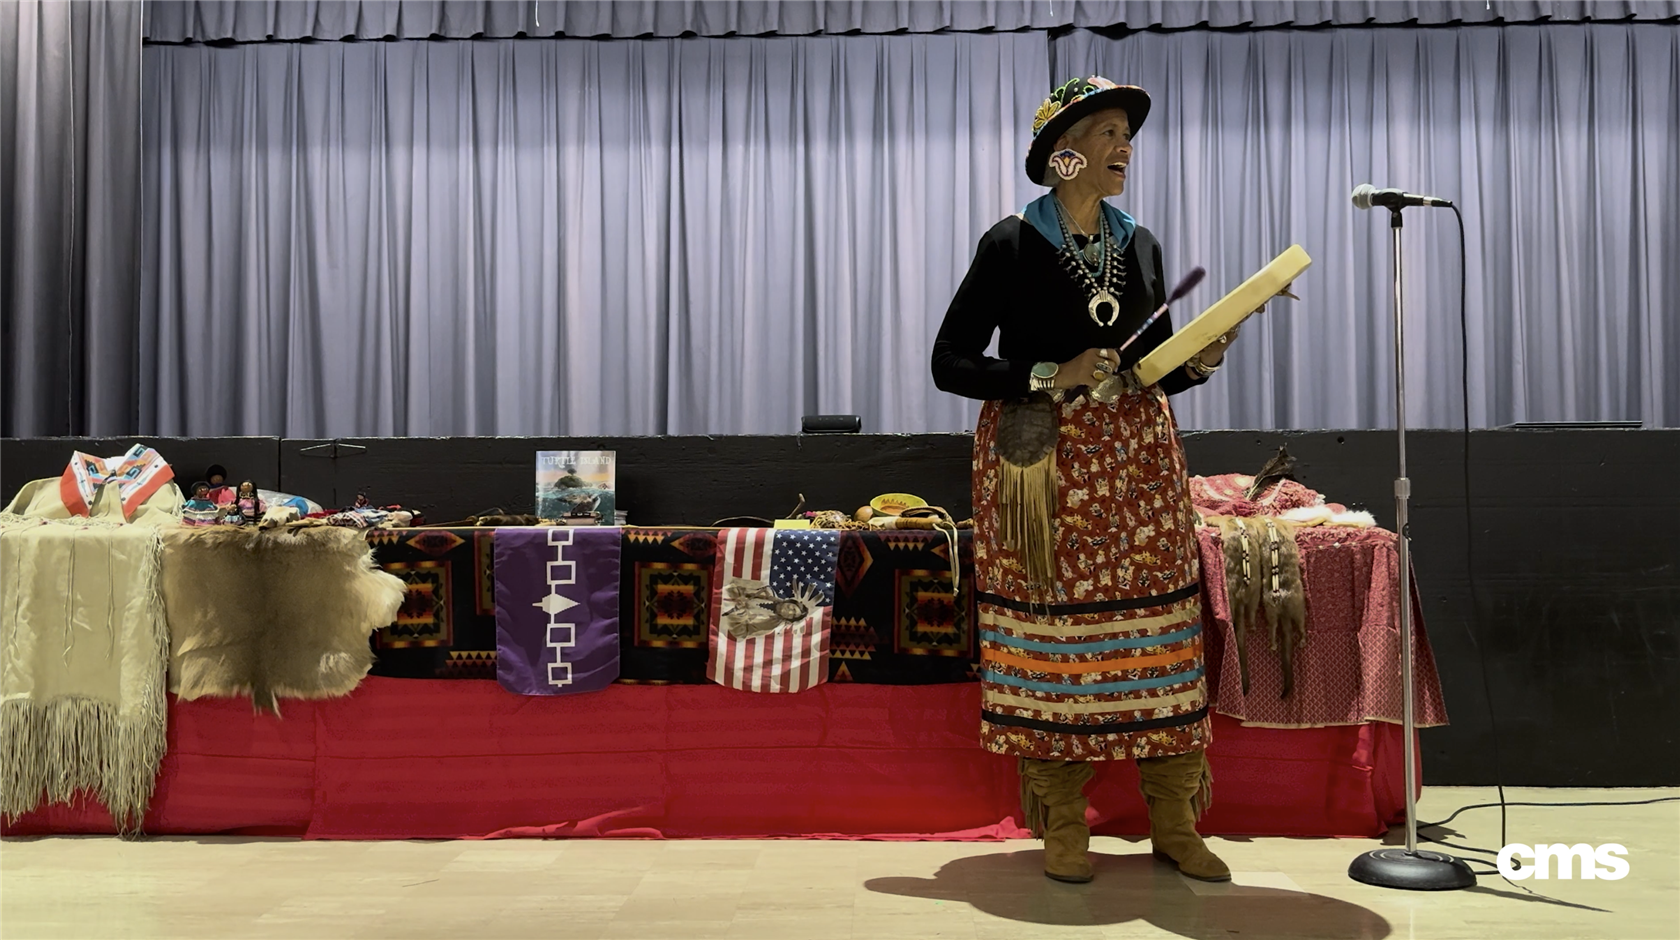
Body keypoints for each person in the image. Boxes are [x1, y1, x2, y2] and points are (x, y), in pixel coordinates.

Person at [930, 76, 1243, 884]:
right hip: (1045, 473)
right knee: (1052, 642)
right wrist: (1046, 372)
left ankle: (1174, 822)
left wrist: (1197, 362)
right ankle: (1064, 826)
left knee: (1162, 639)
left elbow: (1154, 369)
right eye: (1106, 133)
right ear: (1061, 155)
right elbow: (950, 363)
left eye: (1125, 134)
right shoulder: (1009, 242)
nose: (1124, 147)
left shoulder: (1140, 243)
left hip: (1137, 474)